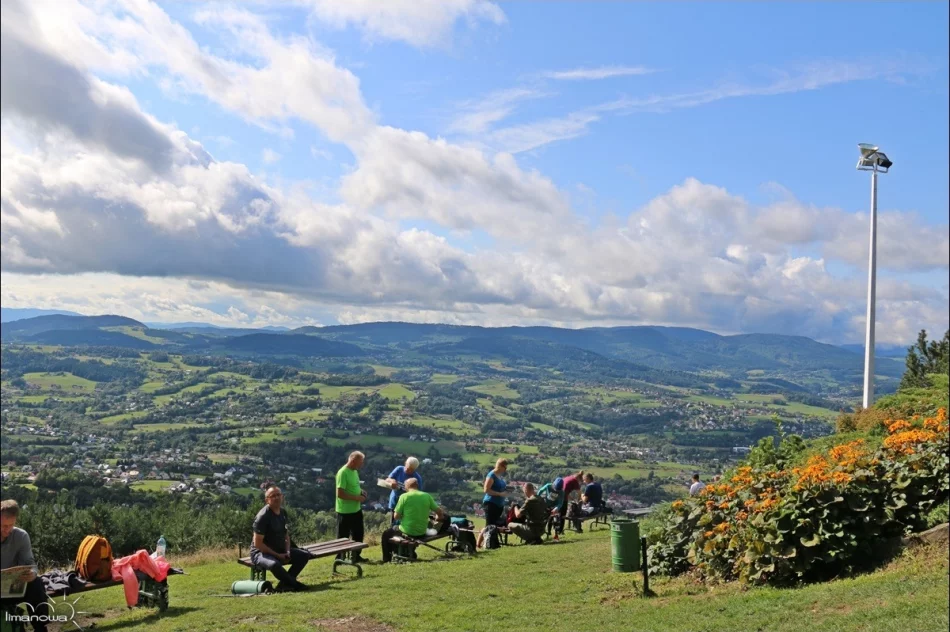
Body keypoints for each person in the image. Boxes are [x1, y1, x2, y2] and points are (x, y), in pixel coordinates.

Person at [249, 487, 311, 592]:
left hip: (279, 549)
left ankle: (284, 584)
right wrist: (278, 555)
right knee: (274, 564)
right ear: (267, 500)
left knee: (304, 555)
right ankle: (295, 584)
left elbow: (286, 535)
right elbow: (258, 544)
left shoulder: (283, 513)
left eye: (278, 495)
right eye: (273, 496)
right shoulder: (262, 517)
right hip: (260, 553)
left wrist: (287, 552)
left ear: (282, 497)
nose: (277, 497)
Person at [0, 500, 48, 632]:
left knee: (36, 583)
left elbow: (30, 563)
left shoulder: (21, 536)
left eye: (11, 525)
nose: (7, 530)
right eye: (4, 526)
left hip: (12, 588)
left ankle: (41, 627)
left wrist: (32, 573)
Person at [380, 479, 443, 563]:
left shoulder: (404, 496)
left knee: (386, 534)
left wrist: (404, 516)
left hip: (408, 532)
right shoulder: (427, 496)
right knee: (396, 531)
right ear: (417, 486)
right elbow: (439, 512)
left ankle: (386, 559)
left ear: (407, 486)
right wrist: (438, 518)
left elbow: (396, 516)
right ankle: (407, 552)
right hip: (422, 532)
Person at [336, 451, 367, 562]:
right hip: (345, 511)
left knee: (358, 534)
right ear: (353, 461)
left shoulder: (354, 471)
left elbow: (354, 486)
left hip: (356, 510)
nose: (361, 465)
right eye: (360, 463)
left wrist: (361, 491)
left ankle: (356, 556)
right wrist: (357, 498)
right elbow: (340, 494)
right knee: (342, 537)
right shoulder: (343, 472)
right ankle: (340, 559)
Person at [476, 459, 508, 548]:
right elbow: (486, 490)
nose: (505, 470)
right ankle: (486, 544)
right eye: (505, 468)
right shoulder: (491, 475)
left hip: (499, 505)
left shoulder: (499, 476)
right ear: (500, 466)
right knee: (489, 525)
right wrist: (499, 494)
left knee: (491, 525)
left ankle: (480, 544)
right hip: (491, 503)